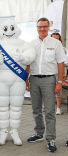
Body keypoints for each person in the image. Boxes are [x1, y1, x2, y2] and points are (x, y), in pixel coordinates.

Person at [0, 19, 36, 145]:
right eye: (5, 28)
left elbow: (31, 54)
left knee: (16, 107)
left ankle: (14, 131)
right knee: (1, 107)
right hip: (1, 79)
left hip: (18, 80)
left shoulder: (24, 44)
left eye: (11, 28)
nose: (8, 31)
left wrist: (23, 57)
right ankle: (3, 132)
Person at [27, 18, 66, 152]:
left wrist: (59, 82)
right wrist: (26, 80)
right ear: (36, 28)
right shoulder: (31, 44)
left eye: (44, 27)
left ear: (48, 28)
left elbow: (61, 63)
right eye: (39, 27)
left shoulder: (56, 43)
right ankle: (39, 133)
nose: (42, 29)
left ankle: (51, 138)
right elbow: (28, 63)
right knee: (36, 109)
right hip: (34, 79)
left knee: (49, 111)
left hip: (49, 80)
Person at [51, 32, 67, 115]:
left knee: (58, 90)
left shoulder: (63, 49)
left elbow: (63, 62)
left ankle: (58, 108)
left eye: (57, 39)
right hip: (48, 72)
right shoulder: (47, 48)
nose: (55, 40)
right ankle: (43, 106)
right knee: (45, 90)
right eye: (53, 38)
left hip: (58, 72)